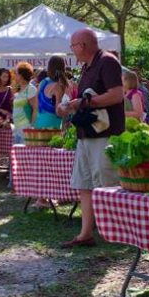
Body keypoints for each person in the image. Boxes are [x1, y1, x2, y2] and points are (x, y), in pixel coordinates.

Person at [57, 29, 125, 248]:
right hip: (86, 133)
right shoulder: (87, 66)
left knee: (107, 183)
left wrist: (83, 103)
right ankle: (85, 234)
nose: (72, 50)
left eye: (73, 46)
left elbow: (117, 95)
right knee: (84, 184)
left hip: (105, 134)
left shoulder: (108, 61)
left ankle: (118, 234)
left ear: (83, 45)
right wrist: (69, 105)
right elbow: (88, 96)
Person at [34, 56, 68, 129]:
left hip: (39, 121)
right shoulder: (57, 86)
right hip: (52, 123)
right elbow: (58, 110)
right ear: (63, 68)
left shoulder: (43, 82)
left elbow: (35, 103)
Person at [11, 62, 38, 145]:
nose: (14, 75)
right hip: (17, 129)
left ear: (22, 75)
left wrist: (31, 127)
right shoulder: (19, 89)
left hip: (26, 130)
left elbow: (35, 109)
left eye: (16, 73)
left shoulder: (31, 89)